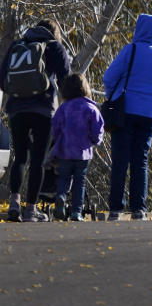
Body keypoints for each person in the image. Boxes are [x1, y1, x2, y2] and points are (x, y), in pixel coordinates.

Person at [104, 13, 152, 220]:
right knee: (140, 161)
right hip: (150, 115)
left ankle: (115, 209)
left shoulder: (131, 50)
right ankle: (139, 209)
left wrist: (113, 96)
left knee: (120, 161)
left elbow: (108, 77)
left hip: (125, 111)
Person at [1, 19, 71, 222]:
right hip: (43, 109)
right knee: (38, 160)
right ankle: (31, 209)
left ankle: (14, 203)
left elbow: (2, 78)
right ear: (54, 33)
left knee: (20, 157)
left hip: (16, 109)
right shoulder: (55, 47)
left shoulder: (17, 46)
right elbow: (66, 79)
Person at [49, 74, 104, 221]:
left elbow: (55, 127)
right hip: (83, 152)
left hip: (65, 150)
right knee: (80, 181)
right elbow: (98, 130)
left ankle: (61, 197)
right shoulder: (91, 108)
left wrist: (57, 139)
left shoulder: (63, 108)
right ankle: (76, 212)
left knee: (64, 177)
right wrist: (94, 141)